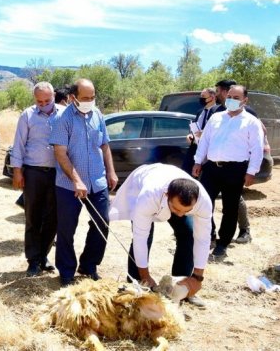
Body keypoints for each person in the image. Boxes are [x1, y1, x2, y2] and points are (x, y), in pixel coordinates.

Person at [110, 163, 212, 305]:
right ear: (166, 195)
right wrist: (145, 276)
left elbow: (202, 239)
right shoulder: (148, 196)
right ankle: (137, 283)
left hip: (169, 189)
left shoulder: (203, 201)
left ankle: (181, 287)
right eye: (177, 209)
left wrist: (197, 278)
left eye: (187, 211)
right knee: (146, 237)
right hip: (144, 184)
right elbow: (140, 238)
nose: (181, 215)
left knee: (188, 234)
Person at [50, 78, 118, 286]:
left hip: (97, 181)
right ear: (73, 98)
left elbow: (104, 145)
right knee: (66, 229)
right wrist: (77, 181)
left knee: (102, 223)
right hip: (68, 185)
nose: (90, 101)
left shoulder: (97, 114)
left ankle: (89, 265)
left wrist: (111, 172)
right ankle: (66, 272)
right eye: (85, 98)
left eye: (92, 97)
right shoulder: (62, 119)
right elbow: (60, 153)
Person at [193, 85, 264, 261]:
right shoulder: (216, 118)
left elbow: (257, 149)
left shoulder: (251, 122)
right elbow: (205, 141)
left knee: (230, 209)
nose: (231, 100)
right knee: (203, 203)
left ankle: (222, 245)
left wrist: (251, 172)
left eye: (236, 97)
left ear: (245, 100)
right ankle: (209, 235)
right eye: (230, 96)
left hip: (235, 170)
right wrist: (198, 161)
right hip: (211, 168)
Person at [10, 82, 59, 277]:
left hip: (58, 174)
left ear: (53, 96)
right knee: (33, 217)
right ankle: (32, 260)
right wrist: (17, 172)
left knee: (53, 218)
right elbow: (19, 145)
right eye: (40, 102)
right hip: (33, 173)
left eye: (47, 100)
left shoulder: (64, 114)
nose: (44, 104)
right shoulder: (27, 115)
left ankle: (44, 256)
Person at [182, 88, 217, 172]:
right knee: (186, 171)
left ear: (212, 97)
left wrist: (204, 134)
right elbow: (194, 126)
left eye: (203, 96)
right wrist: (190, 135)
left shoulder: (218, 112)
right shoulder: (200, 111)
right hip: (194, 147)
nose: (201, 98)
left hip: (208, 150)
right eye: (201, 96)